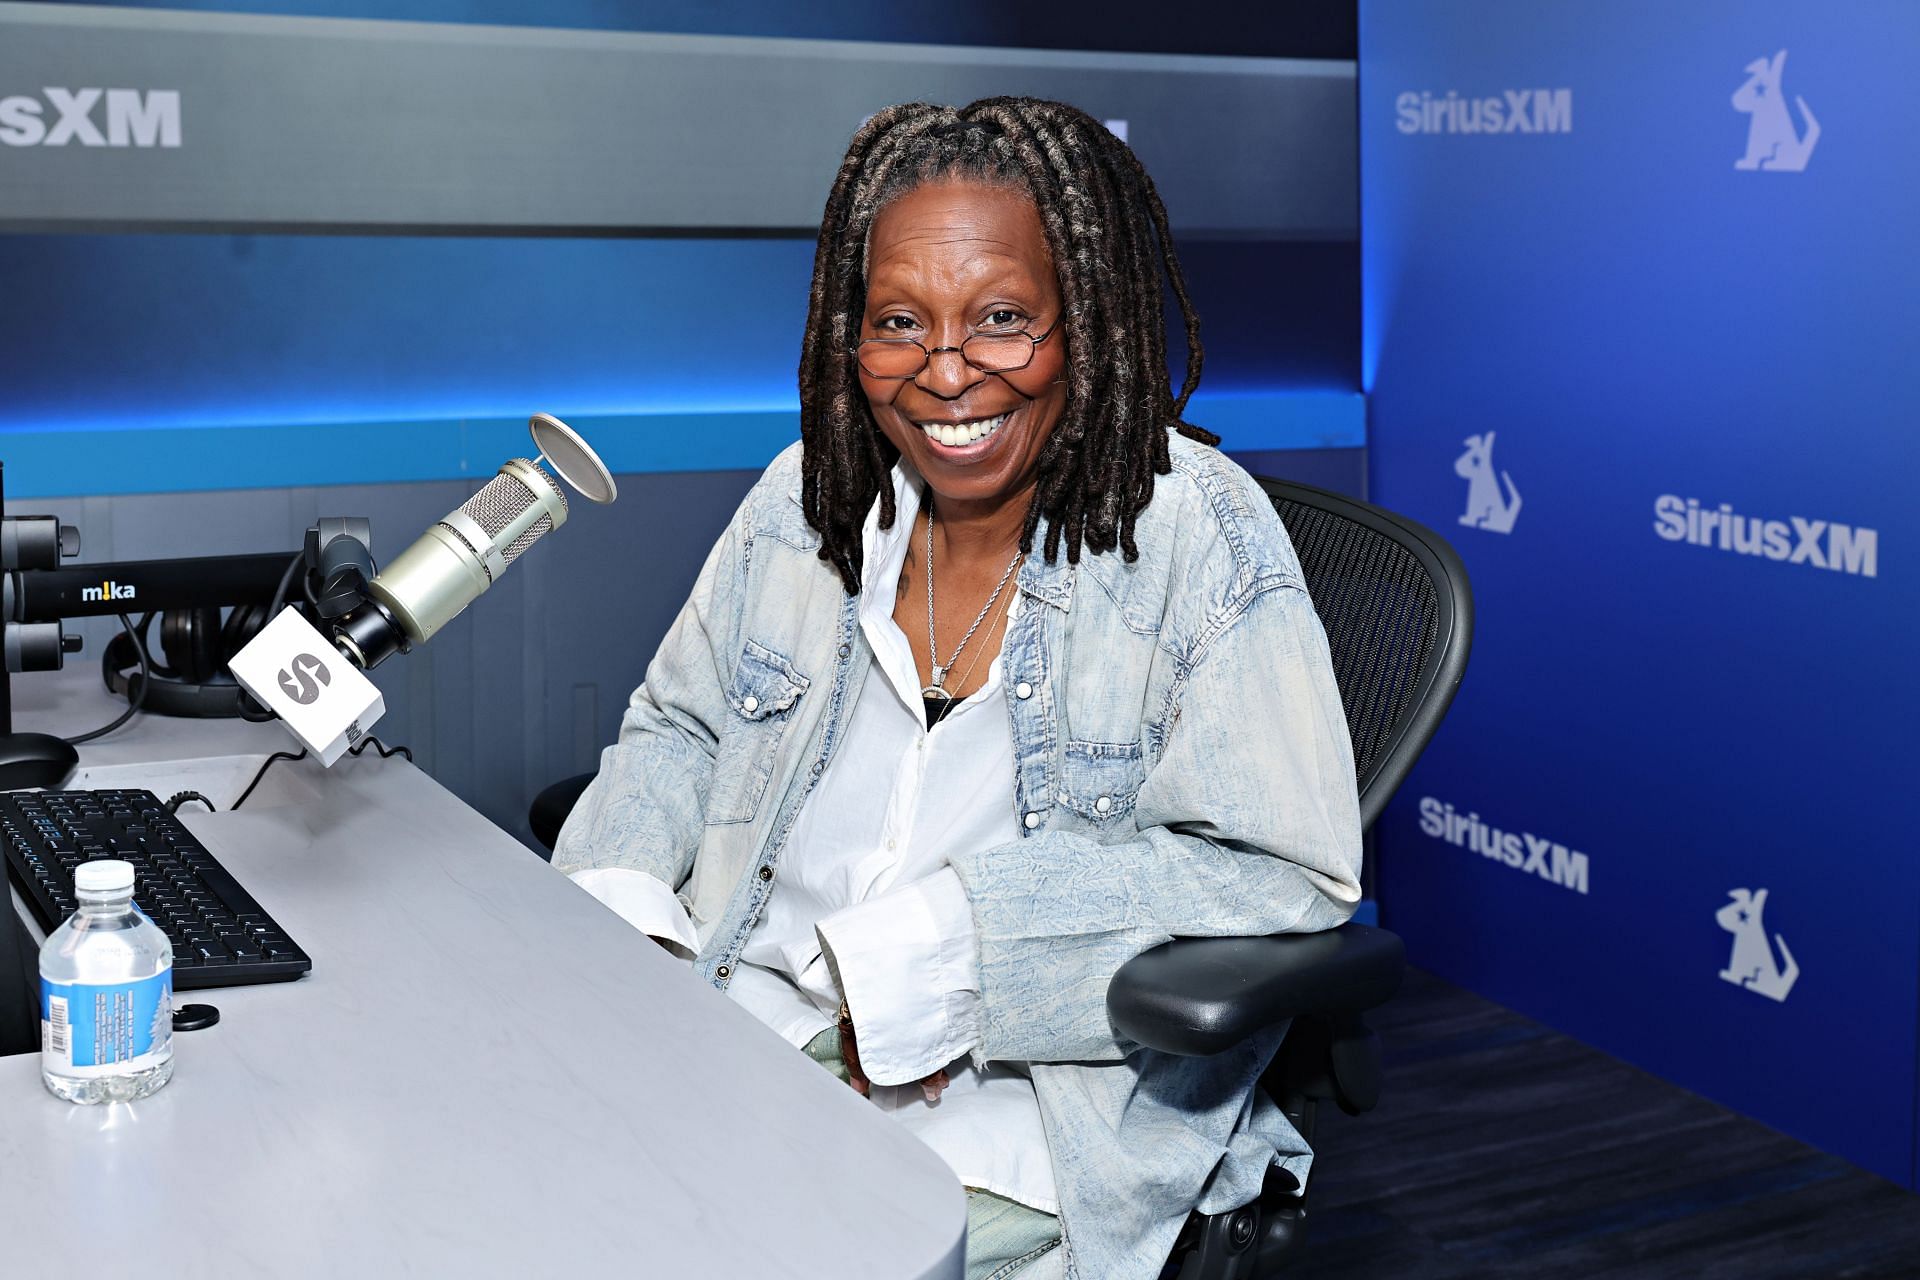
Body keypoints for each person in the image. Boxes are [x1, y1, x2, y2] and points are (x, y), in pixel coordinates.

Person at [554, 97, 1362, 1280]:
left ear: (1082, 318)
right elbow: (678, 725)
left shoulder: (1197, 532)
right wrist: (629, 927)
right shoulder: (806, 499)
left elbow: (1281, 873)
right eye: (897, 322)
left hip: (1016, 1114)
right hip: (743, 1029)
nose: (944, 375)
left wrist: (951, 962)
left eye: (999, 319)